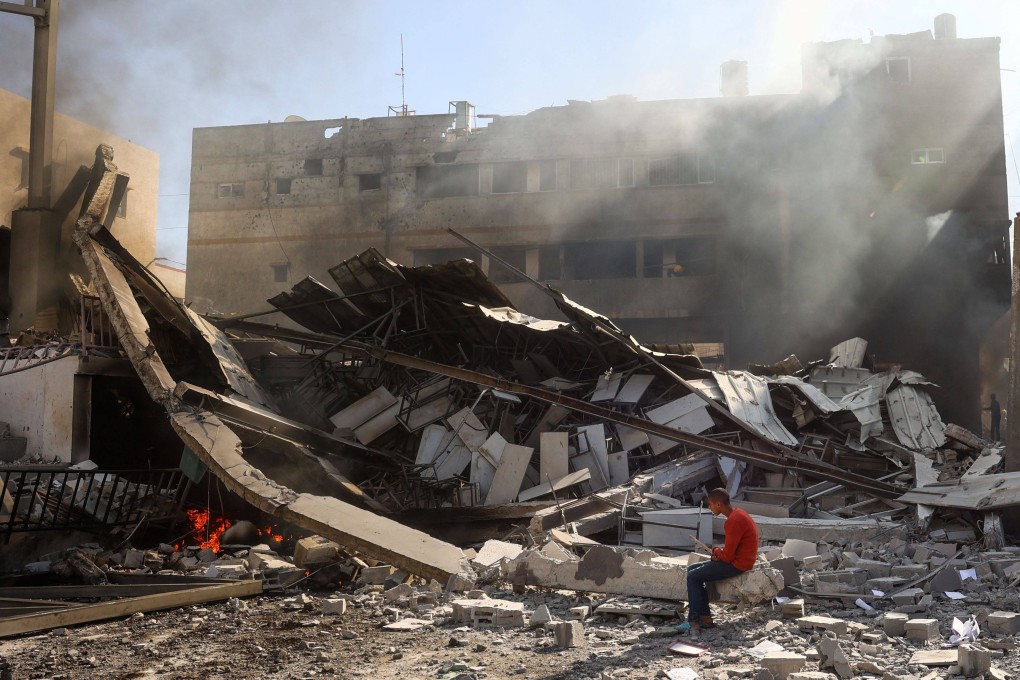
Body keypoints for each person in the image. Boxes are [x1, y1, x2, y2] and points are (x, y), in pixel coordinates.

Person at [678, 488, 760, 634]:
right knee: (692, 570)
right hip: (742, 559)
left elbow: (727, 557)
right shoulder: (739, 514)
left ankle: (693, 620)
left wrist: (716, 551)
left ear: (719, 505)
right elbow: (730, 551)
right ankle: (706, 618)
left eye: (710, 504)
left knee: (693, 576)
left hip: (738, 564)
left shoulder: (733, 521)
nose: (709, 508)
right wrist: (719, 554)